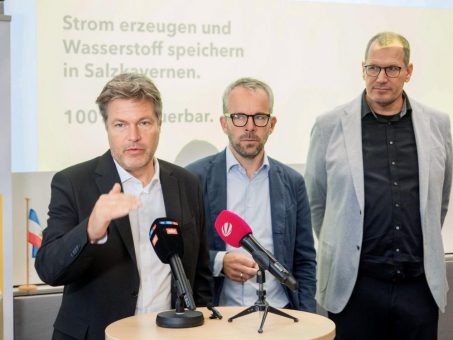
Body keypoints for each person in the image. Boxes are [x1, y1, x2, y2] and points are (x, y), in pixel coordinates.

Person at [35, 73, 212, 339]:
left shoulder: (186, 183)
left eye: (144, 122)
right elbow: (49, 269)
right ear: (106, 126)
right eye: (120, 124)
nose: (134, 136)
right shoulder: (73, 182)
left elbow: (200, 272)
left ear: (159, 124)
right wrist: (90, 231)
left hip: (170, 333)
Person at [305, 31, 452, 339]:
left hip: (418, 288)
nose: (381, 78)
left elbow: (438, 199)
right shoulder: (329, 125)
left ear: (408, 72)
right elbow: (317, 201)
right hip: (356, 289)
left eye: (392, 69)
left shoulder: (437, 124)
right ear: (363, 69)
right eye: (373, 68)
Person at [186, 77, 317, 312]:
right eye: (239, 117)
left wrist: (307, 317)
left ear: (272, 124)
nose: (249, 127)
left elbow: (305, 259)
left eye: (259, 117)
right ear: (224, 123)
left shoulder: (293, 182)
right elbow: (182, 251)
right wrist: (219, 262)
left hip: (280, 315)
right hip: (218, 317)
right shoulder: (194, 179)